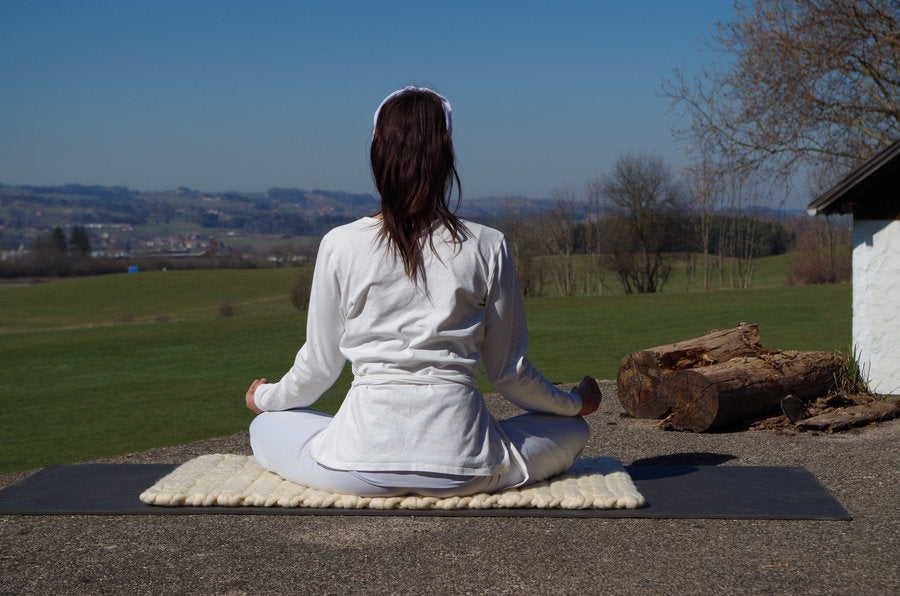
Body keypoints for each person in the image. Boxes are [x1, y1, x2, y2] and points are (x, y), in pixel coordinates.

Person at [245, 86, 601, 497]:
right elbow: (508, 374)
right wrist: (575, 405)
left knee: (266, 424)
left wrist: (265, 398)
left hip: (354, 468)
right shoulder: (488, 244)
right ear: (445, 157)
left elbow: (319, 367)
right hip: (467, 469)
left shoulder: (340, 243)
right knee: (571, 428)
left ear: (378, 153)